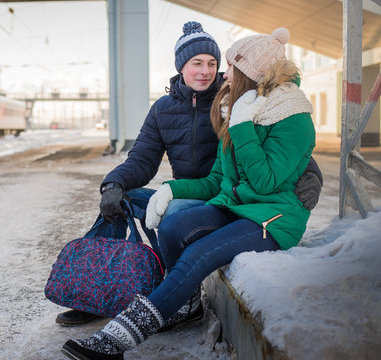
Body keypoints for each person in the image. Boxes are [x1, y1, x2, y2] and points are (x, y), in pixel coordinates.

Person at [61, 27, 316, 360]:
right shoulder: (232, 105)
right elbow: (209, 176)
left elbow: (280, 168)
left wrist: (245, 130)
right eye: (199, 62)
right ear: (181, 67)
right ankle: (99, 288)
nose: (216, 72)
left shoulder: (260, 111)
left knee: (195, 253)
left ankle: (118, 338)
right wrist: (157, 188)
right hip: (230, 202)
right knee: (150, 215)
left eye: (220, 65)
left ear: (251, 74)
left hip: (270, 216)